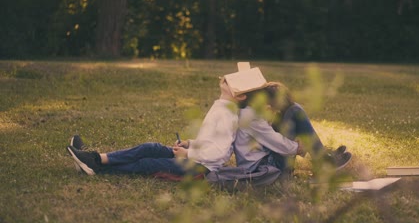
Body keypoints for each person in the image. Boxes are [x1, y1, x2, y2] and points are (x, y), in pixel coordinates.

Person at [66, 75, 250, 177]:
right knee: (150, 147)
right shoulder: (222, 106)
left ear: (240, 96)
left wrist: (189, 154)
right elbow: (210, 141)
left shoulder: (229, 115)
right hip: (194, 157)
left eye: (236, 81)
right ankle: (95, 158)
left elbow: (220, 152)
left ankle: (95, 166)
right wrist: (190, 144)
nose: (228, 77)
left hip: (200, 167)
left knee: (147, 163)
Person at [263, 81, 352, 173]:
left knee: (293, 107)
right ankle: (322, 160)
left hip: (275, 159)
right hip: (273, 165)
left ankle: (323, 157)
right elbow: (272, 140)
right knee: (294, 110)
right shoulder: (254, 120)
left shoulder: (256, 115)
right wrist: (297, 147)